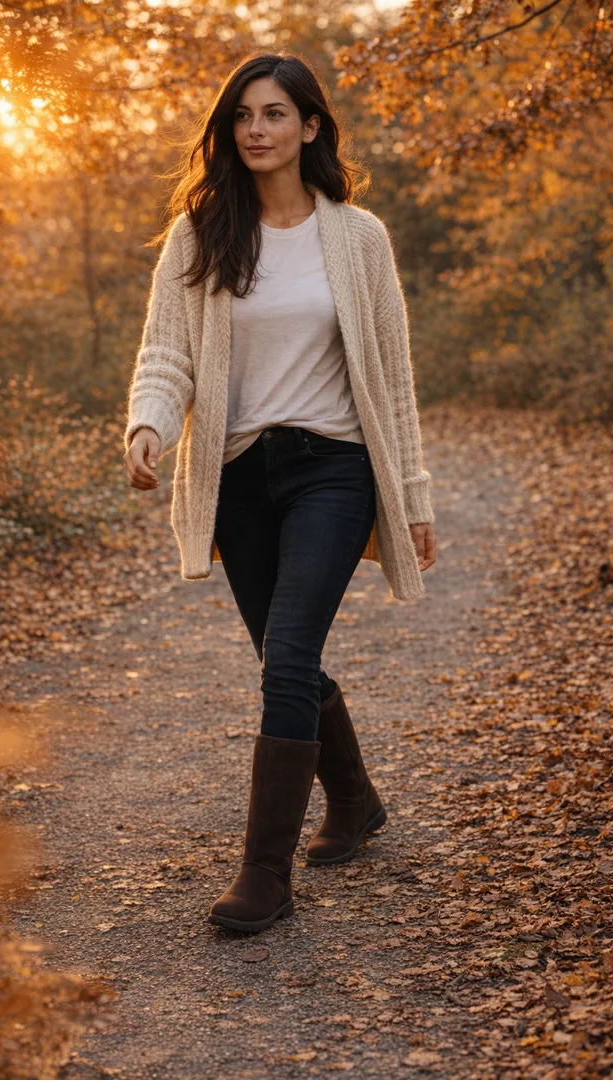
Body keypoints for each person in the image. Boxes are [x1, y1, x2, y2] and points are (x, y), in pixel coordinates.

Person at [123, 52, 437, 933]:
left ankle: (265, 876)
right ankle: (355, 799)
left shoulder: (359, 237)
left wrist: (411, 496)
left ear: (309, 126)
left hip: (333, 469)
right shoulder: (202, 234)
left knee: (290, 658)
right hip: (238, 475)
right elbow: (167, 352)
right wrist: (150, 423)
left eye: (273, 114)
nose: (255, 130)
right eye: (242, 117)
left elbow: (394, 378)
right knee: (281, 658)